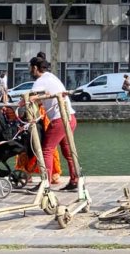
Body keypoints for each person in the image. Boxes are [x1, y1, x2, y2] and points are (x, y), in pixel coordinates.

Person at [29, 53, 79, 191]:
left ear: (34, 68)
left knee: (46, 149)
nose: (30, 71)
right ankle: (75, 180)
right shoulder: (51, 76)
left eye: (30, 68)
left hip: (59, 119)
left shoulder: (40, 81)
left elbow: (30, 98)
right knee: (68, 151)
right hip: (70, 117)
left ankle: (46, 183)